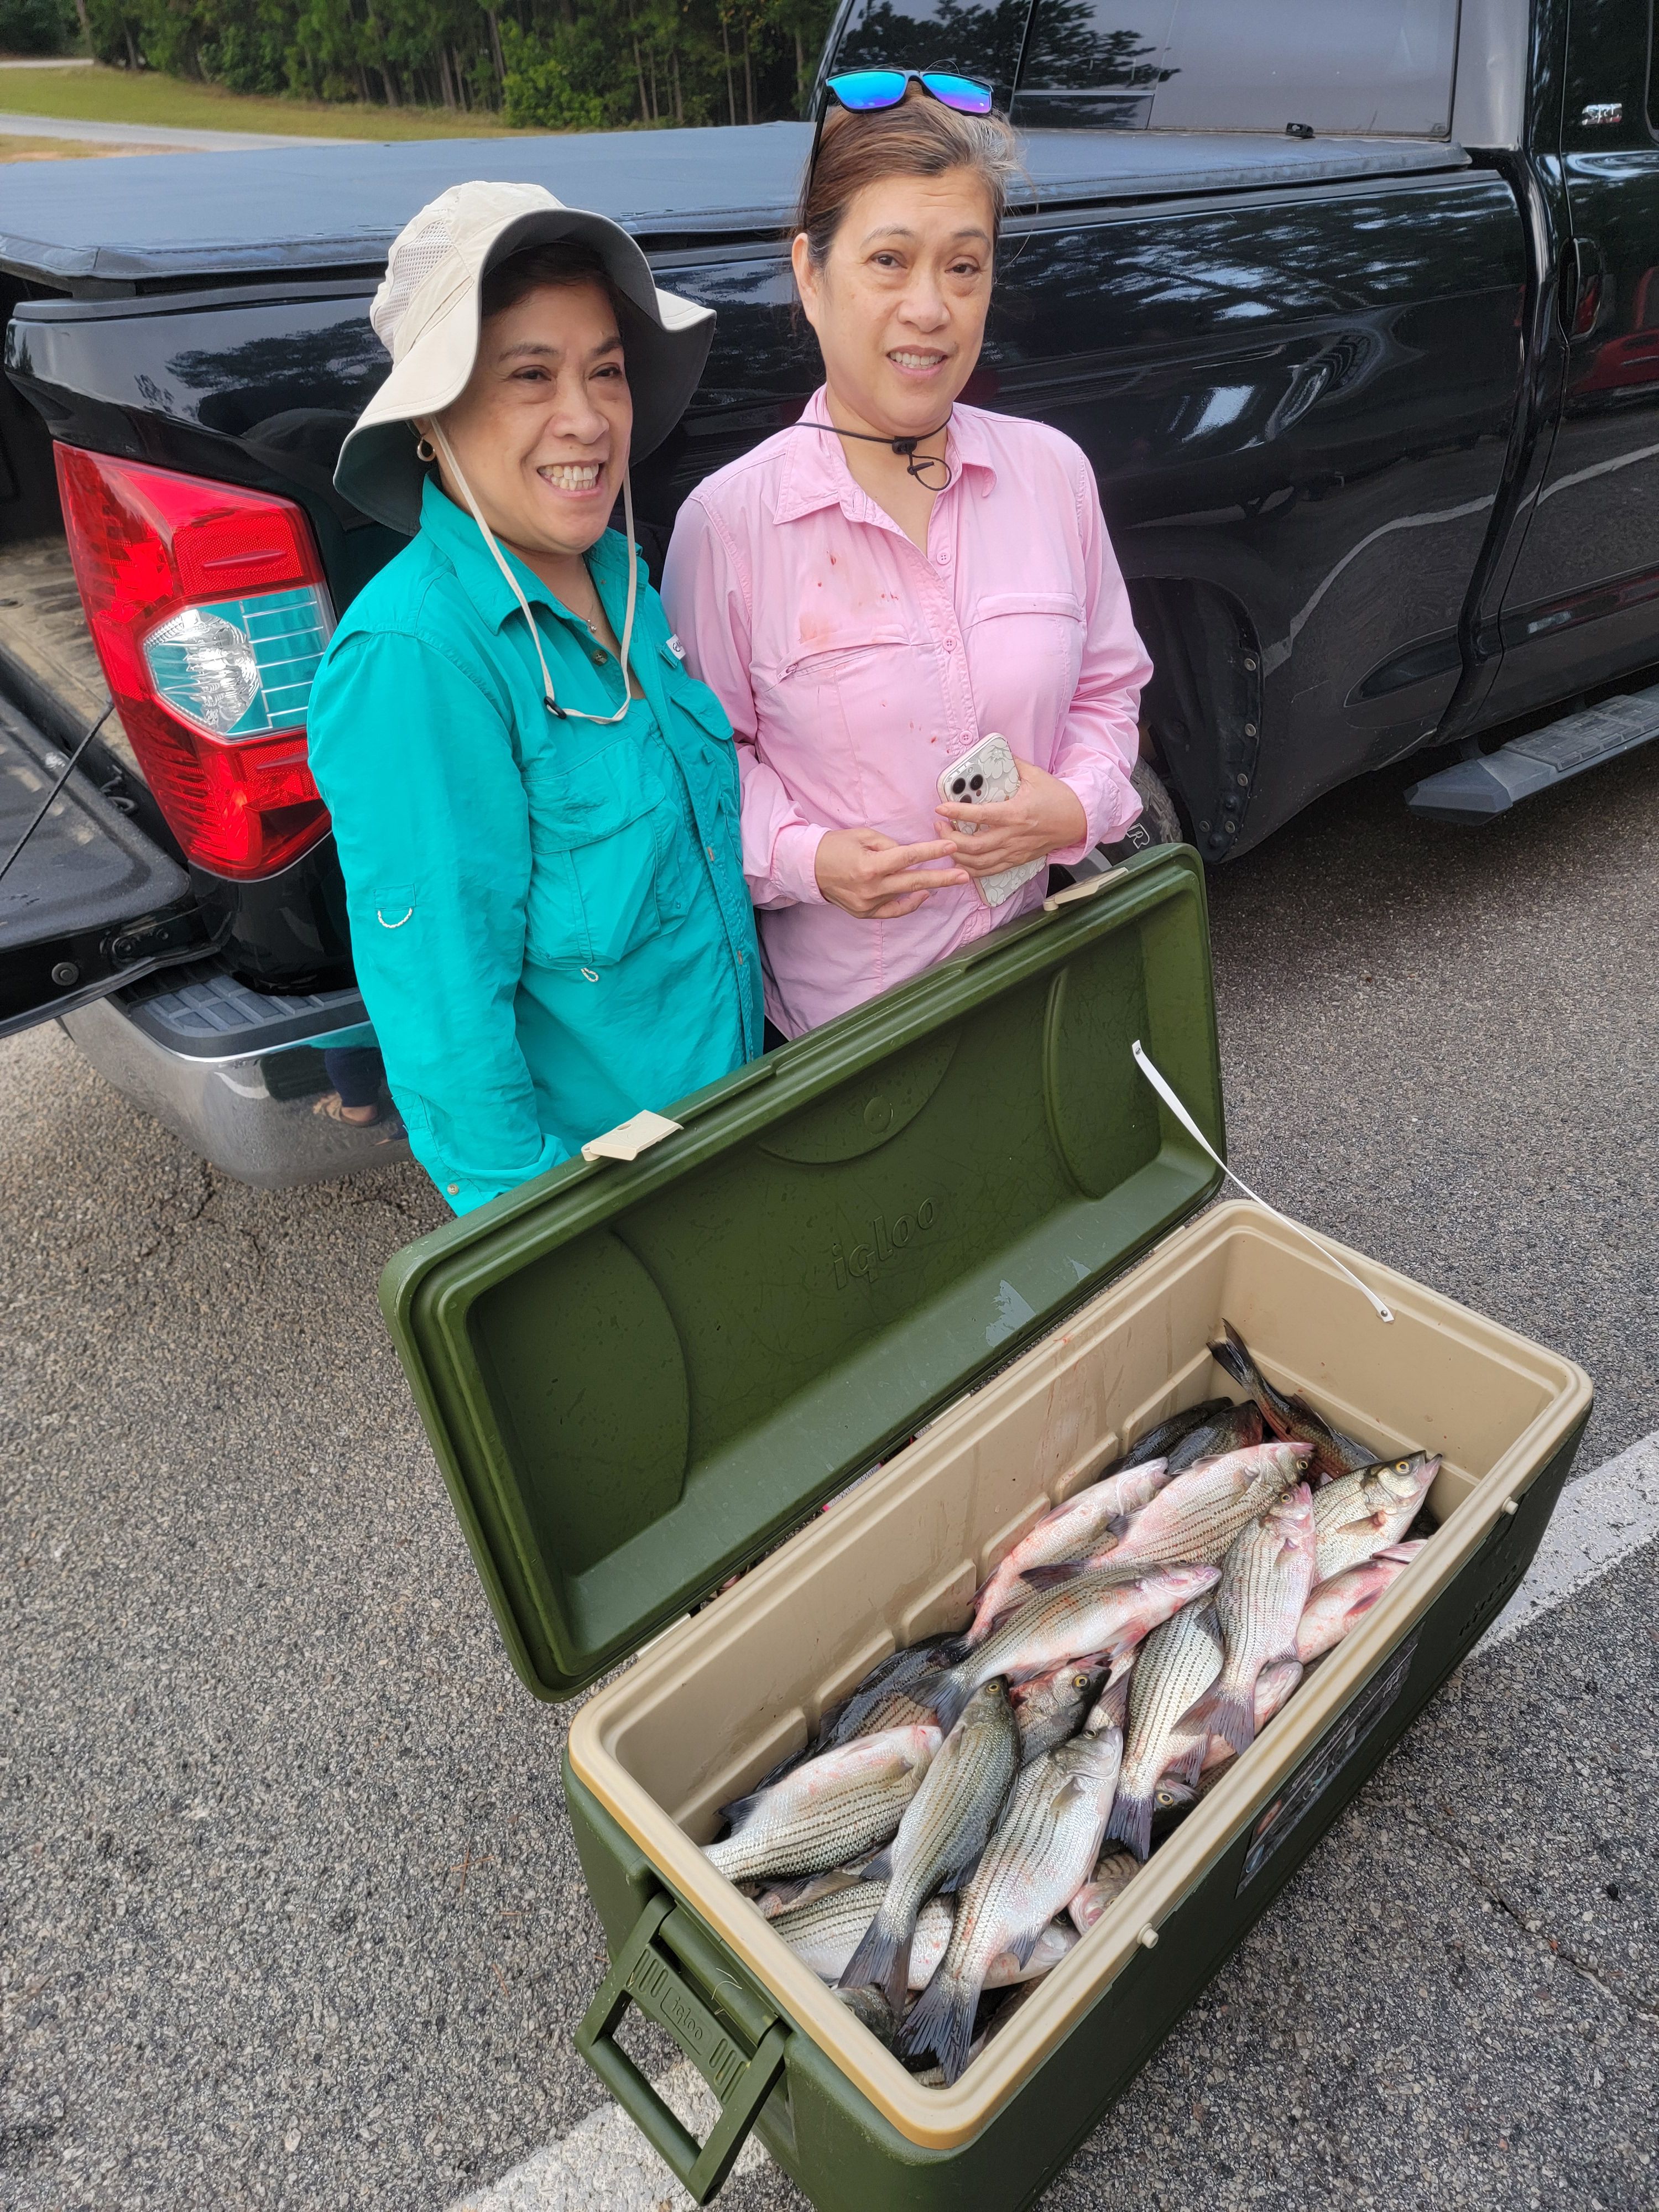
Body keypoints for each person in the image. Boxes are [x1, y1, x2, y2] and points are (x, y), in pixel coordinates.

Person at [662, 77, 1152, 1041]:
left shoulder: (1053, 475)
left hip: (1037, 972)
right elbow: (706, 768)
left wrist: (1078, 805)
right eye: (889, 261)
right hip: (847, 1038)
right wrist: (808, 861)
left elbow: (1108, 689)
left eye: (964, 269)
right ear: (811, 275)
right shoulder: (730, 525)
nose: (930, 308)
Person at [308, 182, 761, 1214]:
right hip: (614, 1212)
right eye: (530, 375)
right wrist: (555, 1260)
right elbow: (448, 1040)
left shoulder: (623, 577)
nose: (587, 417)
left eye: (606, 370)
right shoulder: (417, 659)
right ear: (434, 418)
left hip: (738, 1131)